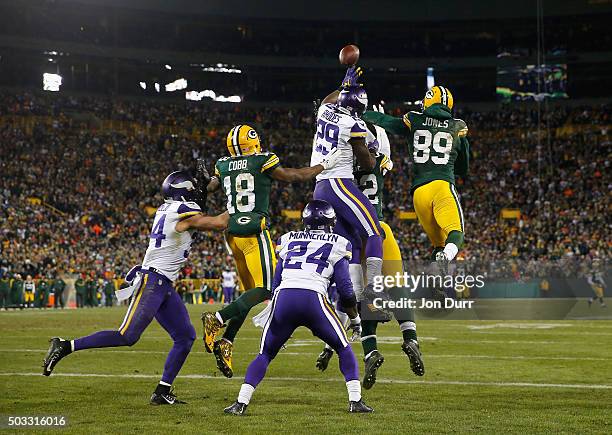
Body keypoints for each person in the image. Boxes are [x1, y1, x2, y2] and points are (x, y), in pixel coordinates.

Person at [42, 170, 228, 405]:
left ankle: (162, 391)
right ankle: (65, 346)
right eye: (193, 190)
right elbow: (221, 222)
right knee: (127, 336)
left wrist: (211, 187)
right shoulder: (182, 214)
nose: (197, 194)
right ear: (184, 193)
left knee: (185, 336)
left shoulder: (169, 209)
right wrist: (242, 197)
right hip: (152, 282)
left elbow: (198, 206)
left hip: (163, 284)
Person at [201, 125, 340, 378]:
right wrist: (323, 166)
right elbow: (294, 176)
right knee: (264, 290)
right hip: (254, 231)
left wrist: (204, 181)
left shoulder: (222, 165)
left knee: (248, 294)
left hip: (231, 234)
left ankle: (227, 342)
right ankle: (218, 319)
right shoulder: (262, 160)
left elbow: (210, 187)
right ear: (251, 143)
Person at [224, 200, 372, 415]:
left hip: (284, 298)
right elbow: (345, 289)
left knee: (265, 353)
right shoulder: (339, 242)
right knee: (343, 348)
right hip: (313, 299)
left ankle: (240, 403)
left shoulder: (287, 239)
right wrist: (356, 319)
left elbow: (276, 283)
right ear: (331, 221)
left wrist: (274, 314)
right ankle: (355, 401)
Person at [316, 105, 424, 388]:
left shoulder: (344, 164)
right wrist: (379, 124)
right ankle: (410, 337)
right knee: (398, 286)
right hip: (379, 228)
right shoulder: (376, 157)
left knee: (362, 297)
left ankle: (370, 351)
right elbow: (380, 154)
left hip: (354, 235)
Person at [362, 85, 469, 275]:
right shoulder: (458, 127)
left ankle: (439, 284)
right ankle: (445, 259)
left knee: (439, 243)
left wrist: (362, 114)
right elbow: (463, 168)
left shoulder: (415, 119)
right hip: (442, 186)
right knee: (456, 232)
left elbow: (387, 122)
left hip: (419, 193)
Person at [311, 67, 384, 322]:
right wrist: (373, 150)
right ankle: (373, 294)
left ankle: (347, 318)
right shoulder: (352, 124)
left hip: (319, 189)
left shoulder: (325, 111)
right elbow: (368, 164)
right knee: (374, 233)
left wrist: (343, 86)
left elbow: (327, 100)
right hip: (339, 184)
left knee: (350, 247)